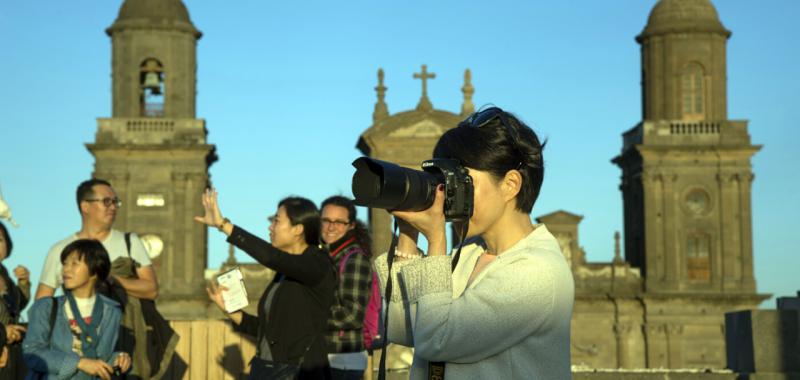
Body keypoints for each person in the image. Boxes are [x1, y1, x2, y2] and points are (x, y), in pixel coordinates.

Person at [374, 107, 575, 379]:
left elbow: (437, 341)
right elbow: (399, 327)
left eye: (463, 182)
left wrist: (435, 240)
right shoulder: (468, 254)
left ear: (510, 185)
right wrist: (408, 234)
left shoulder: (538, 271)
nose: (450, 196)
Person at [35, 179, 176, 379]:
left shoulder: (130, 243)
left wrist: (110, 278)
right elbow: (42, 301)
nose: (113, 207)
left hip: (126, 340)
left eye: (115, 202)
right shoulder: (61, 250)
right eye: (106, 202)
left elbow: (151, 289)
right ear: (85, 206)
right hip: (77, 349)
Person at [198, 190, 336, 379]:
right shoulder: (283, 274)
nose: (270, 227)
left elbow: (271, 257)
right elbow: (268, 331)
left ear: (298, 229)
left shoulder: (317, 264)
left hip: (299, 373)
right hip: (267, 370)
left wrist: (224, 225)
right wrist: (230, 310)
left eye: (276, 221)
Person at [23, 239, 131, 379]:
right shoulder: (45, 307)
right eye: (65, 263)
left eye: (74, 263)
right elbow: (32, 352)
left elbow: (102, 357)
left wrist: (119, 358)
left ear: (95, 270)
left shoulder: (112, 311)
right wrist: (79, 363)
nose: (66, 269)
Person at [320, 196, 373, 380]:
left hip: (343, 358)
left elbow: (352, 315)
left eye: (339, 222)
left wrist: (310, 317)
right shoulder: (328, 255)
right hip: (326, 356)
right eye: (326, 220)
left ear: (351, 225)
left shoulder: (354, 259)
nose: (331, 227)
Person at [0, 220, 31, 378]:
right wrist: (3, 332)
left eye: (0, 239)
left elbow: (17, 306)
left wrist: (23, 283)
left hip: (13, 350)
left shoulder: (4, 274)